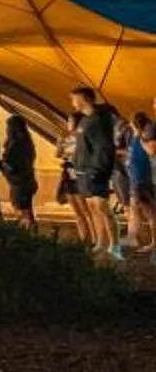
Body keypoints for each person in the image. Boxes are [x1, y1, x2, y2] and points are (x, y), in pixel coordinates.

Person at [65, 85, 121, 256]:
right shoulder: (84, 120)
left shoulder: (97, 121)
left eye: (74, 99)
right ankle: (101, 242)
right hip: (82, 171)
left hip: (94, 171)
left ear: (84, 99)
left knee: (102, 207)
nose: (73, 103)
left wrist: (97, 169)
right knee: (93, 208)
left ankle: (115, 245)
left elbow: (103, 147)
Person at [123, 112, 156, 256]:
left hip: (142, 181)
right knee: (136, 209)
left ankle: (148, 241)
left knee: (149, 212)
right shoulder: (134, 138)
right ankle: (134, 237)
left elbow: (151, 152)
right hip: (135, 180)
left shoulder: (143, 138)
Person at [0, 111, 38, 227]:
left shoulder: (14, 145)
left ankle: (26, 231)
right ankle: (31, 231)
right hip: (28, 179)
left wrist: (0, 164)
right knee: (27, 209)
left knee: (22, 211)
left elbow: (10, 165)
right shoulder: (27, 143)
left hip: (18, 182)